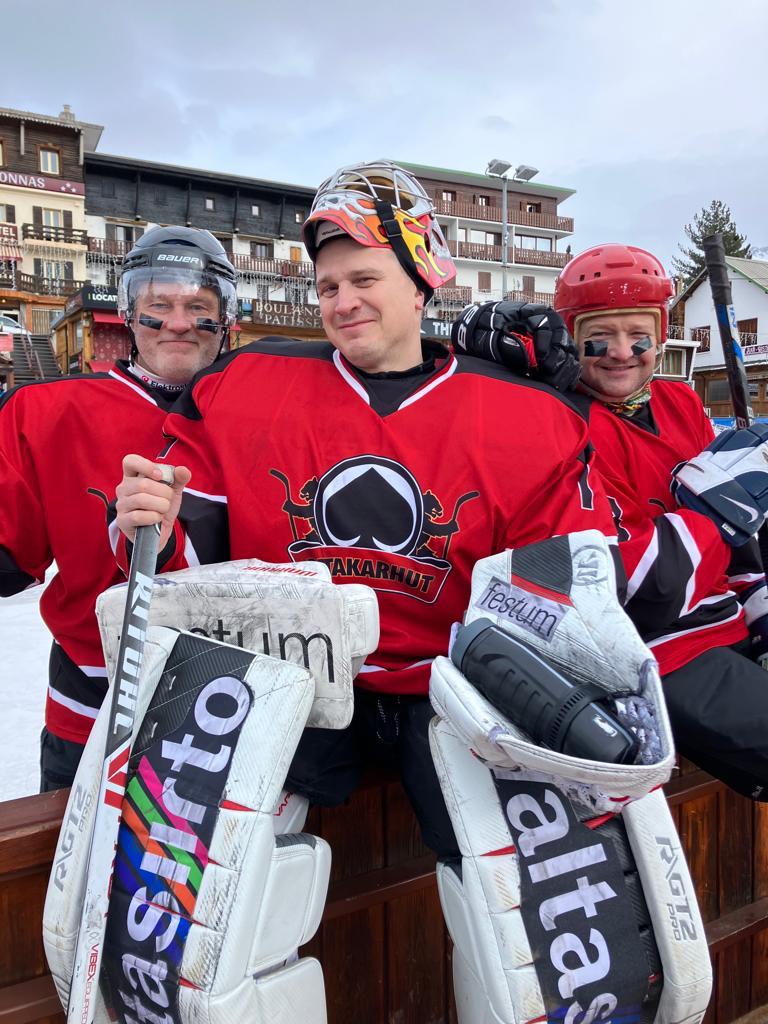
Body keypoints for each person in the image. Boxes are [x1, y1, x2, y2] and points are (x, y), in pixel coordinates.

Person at [113, 161, 617, 862]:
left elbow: (565, 590)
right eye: (328, 287)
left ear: (421, 280)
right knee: (218, 859)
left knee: (527, 872)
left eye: (364, 279)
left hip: (453, 690)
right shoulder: (246, 385)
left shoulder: (527, 412)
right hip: (290, 679)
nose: (343, 301)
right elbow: (189, 552)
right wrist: (154, 529)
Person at [452, 243, 768, 801]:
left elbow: (739, 550)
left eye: (639, 337)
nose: (622, 353)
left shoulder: (679, 402)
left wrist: (758, 597)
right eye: (598, 338)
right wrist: (716, 510)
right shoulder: (558, 422)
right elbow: (637, 588)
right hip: (653, 652)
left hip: (723, 622)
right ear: (568, 338)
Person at [0, 226, 237, 791]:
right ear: (129, 313)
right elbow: (8, 565)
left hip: (227, 710)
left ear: (225, 317)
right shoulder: (44, 413)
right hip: (89, 705)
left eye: (199, 307)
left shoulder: (262, 412)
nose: (178, 323)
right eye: (159, 305)